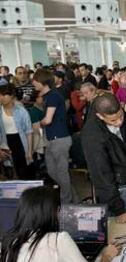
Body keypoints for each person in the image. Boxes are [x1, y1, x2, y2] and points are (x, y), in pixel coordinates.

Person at [1, 186, 120, 262]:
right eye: (58, 209)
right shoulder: (58, 241)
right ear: (52, 212)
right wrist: (106, 257)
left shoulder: (11, 242)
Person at [81, 93, 126, 223]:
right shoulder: (92, 136)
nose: (119, 122)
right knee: (124, 233)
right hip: (117, 193)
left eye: (120, 116)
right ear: (100, 116)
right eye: (113, 121)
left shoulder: (120, 115)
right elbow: (101, 176)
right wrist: (119, 209)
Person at [33, 69, 77, 204]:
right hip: (51, 139)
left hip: (60, 139)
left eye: (35, 81)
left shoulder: (53, 96)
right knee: (52, 171)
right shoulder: (48, 96)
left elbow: (48, 119)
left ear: (42, 81)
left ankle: (67, 202)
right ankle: (74, 199)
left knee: (61, 172)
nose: (33, 83)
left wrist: (37, 124)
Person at [0, 83, 34, 179]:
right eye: (0, 95)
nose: (1, 98)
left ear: (11, 96)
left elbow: (29, 132)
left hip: (20, 141)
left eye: (4, 95)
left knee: (23, 170)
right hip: (5, 142)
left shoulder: (21, 111)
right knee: (9, 171)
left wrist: (29, 151)